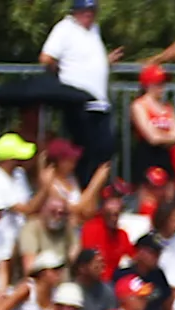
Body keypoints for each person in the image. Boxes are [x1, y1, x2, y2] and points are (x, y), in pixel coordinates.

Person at [38, 0, 117, 182]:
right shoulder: (65, 28)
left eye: (92, 10)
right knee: (82, 152)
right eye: (84, 11)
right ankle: (81, 188)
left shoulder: (94, 29)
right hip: (78, 102)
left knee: (105, 149)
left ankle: (96, 189)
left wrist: (104, 62)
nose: (89, 14)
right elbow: (46, 58)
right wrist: (61, 75)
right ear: (75, 11)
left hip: (99, 103)